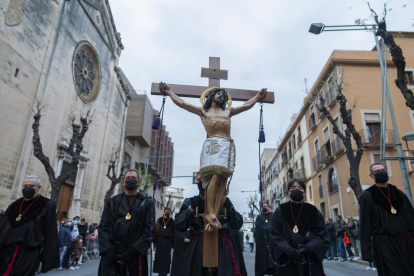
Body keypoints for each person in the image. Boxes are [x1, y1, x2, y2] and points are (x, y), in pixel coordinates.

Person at [159, 83, 267, 232]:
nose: (221, 96)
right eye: (218, 94)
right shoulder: (203, 112)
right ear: (211, 96)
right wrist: (169, 92)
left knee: (223, 178)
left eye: (223, 96)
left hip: (226, 145)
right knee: (214, 175)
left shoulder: (228, 111)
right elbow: (183, 104)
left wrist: (257, 97)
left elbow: (246, 105)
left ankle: (214, 214)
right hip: (212, 146)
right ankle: (209, 212)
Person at [174, 180, 246, 276]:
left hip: (223, 249)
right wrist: (191, 207)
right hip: (198, 248)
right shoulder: (191, 201)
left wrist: (230, 207)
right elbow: (179, 224)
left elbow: (237, 224)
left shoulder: (224, 202)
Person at [360, 163, 414, 276]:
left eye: (383, 170)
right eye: (377, 171)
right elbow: (365, 223)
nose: (381, 172)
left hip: (405, 242)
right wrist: (366, 250)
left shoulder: (398, 193)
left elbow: (411, 217)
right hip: (384, 243)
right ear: (371, 176)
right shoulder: (368, 195)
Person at [98, 169, 155, 276]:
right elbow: (103, 227)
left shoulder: (147, 203)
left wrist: (133, 251)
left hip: (134, 255)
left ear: (138, 182)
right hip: (112, 253)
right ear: (123, 182)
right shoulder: (113, 201)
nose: (130, 180)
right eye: (128, 178)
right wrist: (108, 250)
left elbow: (150, 231)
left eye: (133, 178)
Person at [0, 175, 60, 275]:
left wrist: (47, 258)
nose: (27, 188)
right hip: (7, 252)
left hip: (28, 253)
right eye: (25, 186)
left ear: (38, 187)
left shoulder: (47, 204)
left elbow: (51, 231)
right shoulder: (14, 205)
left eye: (31, 186)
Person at [270, 178, 330, 276]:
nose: (296, 190)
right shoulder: (280, 210)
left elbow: (323, 234)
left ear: (304, 192)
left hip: (309, 258)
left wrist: (311, 247)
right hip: (287, 259)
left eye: (300, 188)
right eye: (293, 188)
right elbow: (274, 234)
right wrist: (287, 249)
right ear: (289, 192)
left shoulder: (313, 210)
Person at [254, 203, 276, 276]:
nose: (264, 207)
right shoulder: (259, 217)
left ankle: (272, 270)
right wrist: (265, 229)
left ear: (269, 207)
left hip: (271, 241)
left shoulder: (273, 215)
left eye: (266, 206)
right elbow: (258, 227)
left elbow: (275, 225)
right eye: (263, 207)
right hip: (262, 242)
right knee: (262, 257)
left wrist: (269, 228)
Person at [153, 207, 175, 276]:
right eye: (167, 211)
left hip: (168, 242)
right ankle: (160, 272)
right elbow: (156, 231)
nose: (168, 213)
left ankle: (164, 273)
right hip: (159, 241)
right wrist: (154, 242)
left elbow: (174, 233)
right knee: (159, 257)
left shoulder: (172, 221)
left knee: (166, 258)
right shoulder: (159, 220)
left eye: (169, 212)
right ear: (164, 212)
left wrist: (173, 243)